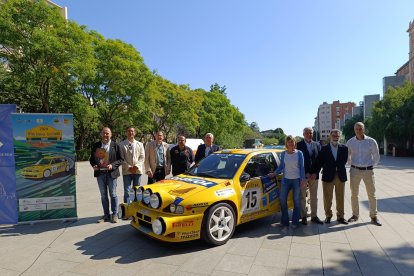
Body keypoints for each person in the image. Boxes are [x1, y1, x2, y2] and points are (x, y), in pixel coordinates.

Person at [346, 122, 382, 226]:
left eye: (360, 128)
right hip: (355, 170)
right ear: (354, 130)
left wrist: (371, 166)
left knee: (372, 194)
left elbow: (376, 156)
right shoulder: (350, 142)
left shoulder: (371, 141)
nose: (358, 130)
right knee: (354, 194)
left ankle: (373, 216)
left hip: (368, 171)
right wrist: (351, 164)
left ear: (364, 129)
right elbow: (347, 155)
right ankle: (355, 215)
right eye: (357, 129)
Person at [311, 129, 348, 224]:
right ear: (330, 136)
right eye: (334, 135)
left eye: (337, 135)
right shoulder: (324, 148)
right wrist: (315, 172)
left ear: (339, 137)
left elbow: (344, 161)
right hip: (328, 175)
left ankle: (341, 216)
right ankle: (328, 215)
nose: (335, 137)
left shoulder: (344, 148)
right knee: (327, 198)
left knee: (340, 197)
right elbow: (319, 162)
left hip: (340, 176)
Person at [89, 127, 123, 223]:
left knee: (113, 194)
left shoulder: (115, 145)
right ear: (101, 134)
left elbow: (121, 160)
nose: (105, 135)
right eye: (104, 133)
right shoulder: (96, 146)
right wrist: (94, 165)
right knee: (103, 195)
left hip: (111, 174)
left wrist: (112, 165)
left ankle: (115, 214)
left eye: (107, 133)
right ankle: (106, 215)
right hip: (100, 174)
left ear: (110, 134)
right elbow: (91, 159)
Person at [274, 135, 306, 229]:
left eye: (292, 142)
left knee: (296, 201)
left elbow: (302, 167)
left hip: (296, 180)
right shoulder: (283, 154)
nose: (291, 143)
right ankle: (285, 221)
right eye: (289, 142)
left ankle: (295, 221)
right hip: (286, 180)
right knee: (282, 199)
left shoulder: (299, 153)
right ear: (286, 144)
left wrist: (303, 179)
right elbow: (281, 167)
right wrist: (274, 173)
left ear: (295, 143)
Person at [296, 127, 323, 225]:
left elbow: (320, 160)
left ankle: (314, 216)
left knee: (314, 196)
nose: (309, 134)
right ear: (303, 134)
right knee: (302, 196)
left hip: (314, 176)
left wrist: (316, 172)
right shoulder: (298, 145)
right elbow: (297, 162)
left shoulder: (317, 145)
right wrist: (305, 173)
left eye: (311, 133)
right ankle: (303, 216)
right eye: (307, 133)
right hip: (303, 176)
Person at [119, 126, 145, 204]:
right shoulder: (121, 144)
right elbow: (121, 158)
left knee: (136, 190)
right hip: (127, 171)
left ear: (134, 133)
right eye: (129, 131)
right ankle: (127, 208)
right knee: (127, 191)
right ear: (126, 133)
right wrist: (129, 167)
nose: (131, 133)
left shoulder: (140, 144)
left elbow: (142, 157)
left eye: (132, 131)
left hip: (137, 171)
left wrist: (136, 166)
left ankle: (135, 207)